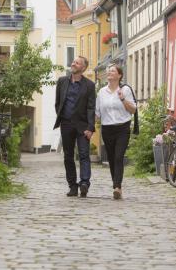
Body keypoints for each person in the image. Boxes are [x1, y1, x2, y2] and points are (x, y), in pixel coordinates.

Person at [54, 56, 96, 197]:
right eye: (73, 61)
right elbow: (58, 103)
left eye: (77, 63)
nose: (73, 63)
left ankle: (84, 183)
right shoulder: (62, 82)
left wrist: (90, 128)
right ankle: (72, 186)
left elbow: (91, 108)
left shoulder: (89, 85)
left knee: (84, 155)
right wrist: (62, 118)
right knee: (68, 156)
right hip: (66, 124)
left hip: (83, 125)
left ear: (83, 68)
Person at [96, 65, 136, 200]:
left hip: (122, 128)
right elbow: (97, 113)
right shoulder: (101, 92)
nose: (109, 72)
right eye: (109, 71)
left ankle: (117, 187)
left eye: (112, 71)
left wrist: (123, 99)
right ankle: (116, 185)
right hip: (107, 129)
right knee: (112, 158)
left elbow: (133, 110)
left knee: (118, 157)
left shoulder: (125, 90)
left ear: (119, 75)